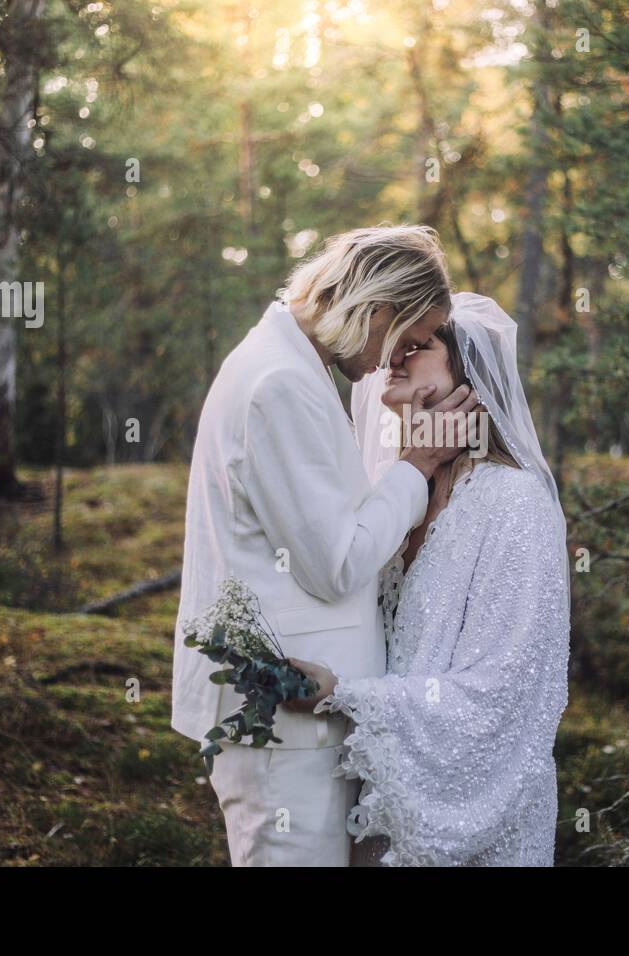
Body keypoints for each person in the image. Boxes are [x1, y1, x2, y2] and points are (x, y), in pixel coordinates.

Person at [170, 225, 478, 866]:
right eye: (411, 338)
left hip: (309, 721)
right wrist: (417, 464)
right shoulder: (278, 382)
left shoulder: (292, 368)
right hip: (286, 726)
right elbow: (336, 563)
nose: (401, 359)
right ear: (378, 306)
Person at [289, 292, 571, 866]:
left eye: (419, 345)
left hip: (475, 815)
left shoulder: (512, 505)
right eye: (394, 342)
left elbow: (509, 691)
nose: (395, 355)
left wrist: (345, 696)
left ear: (468, 372)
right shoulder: (391, 494)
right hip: (382, 795)